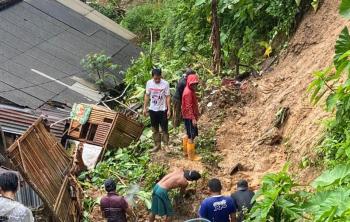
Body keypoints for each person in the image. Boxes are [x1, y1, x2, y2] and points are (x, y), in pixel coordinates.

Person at [143, 68, 171, 152]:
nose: (157, 80)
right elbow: (147, 95)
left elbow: (168, 96)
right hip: (152, 109)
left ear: (161, 76)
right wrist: (144, 107)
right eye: (155, 78)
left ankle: (166, 145)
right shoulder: (149, 83)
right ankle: (157, 145)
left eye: (159, 78)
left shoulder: (165, 84)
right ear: (152, 77)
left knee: (164, 128)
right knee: (155, 128)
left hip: (162, 109)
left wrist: (169, 109)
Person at [182, 73, 200, 160]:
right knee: (191, 136)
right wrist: (193, 118)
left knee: (188, 134)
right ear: (189, 83)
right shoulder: (188, 92)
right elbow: (189, 107)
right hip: (189, 117)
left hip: (188, 116)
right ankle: (191, 156)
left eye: (195, 84)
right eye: (193, 84)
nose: (194, 86)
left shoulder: (189, 90)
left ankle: (186, 152)